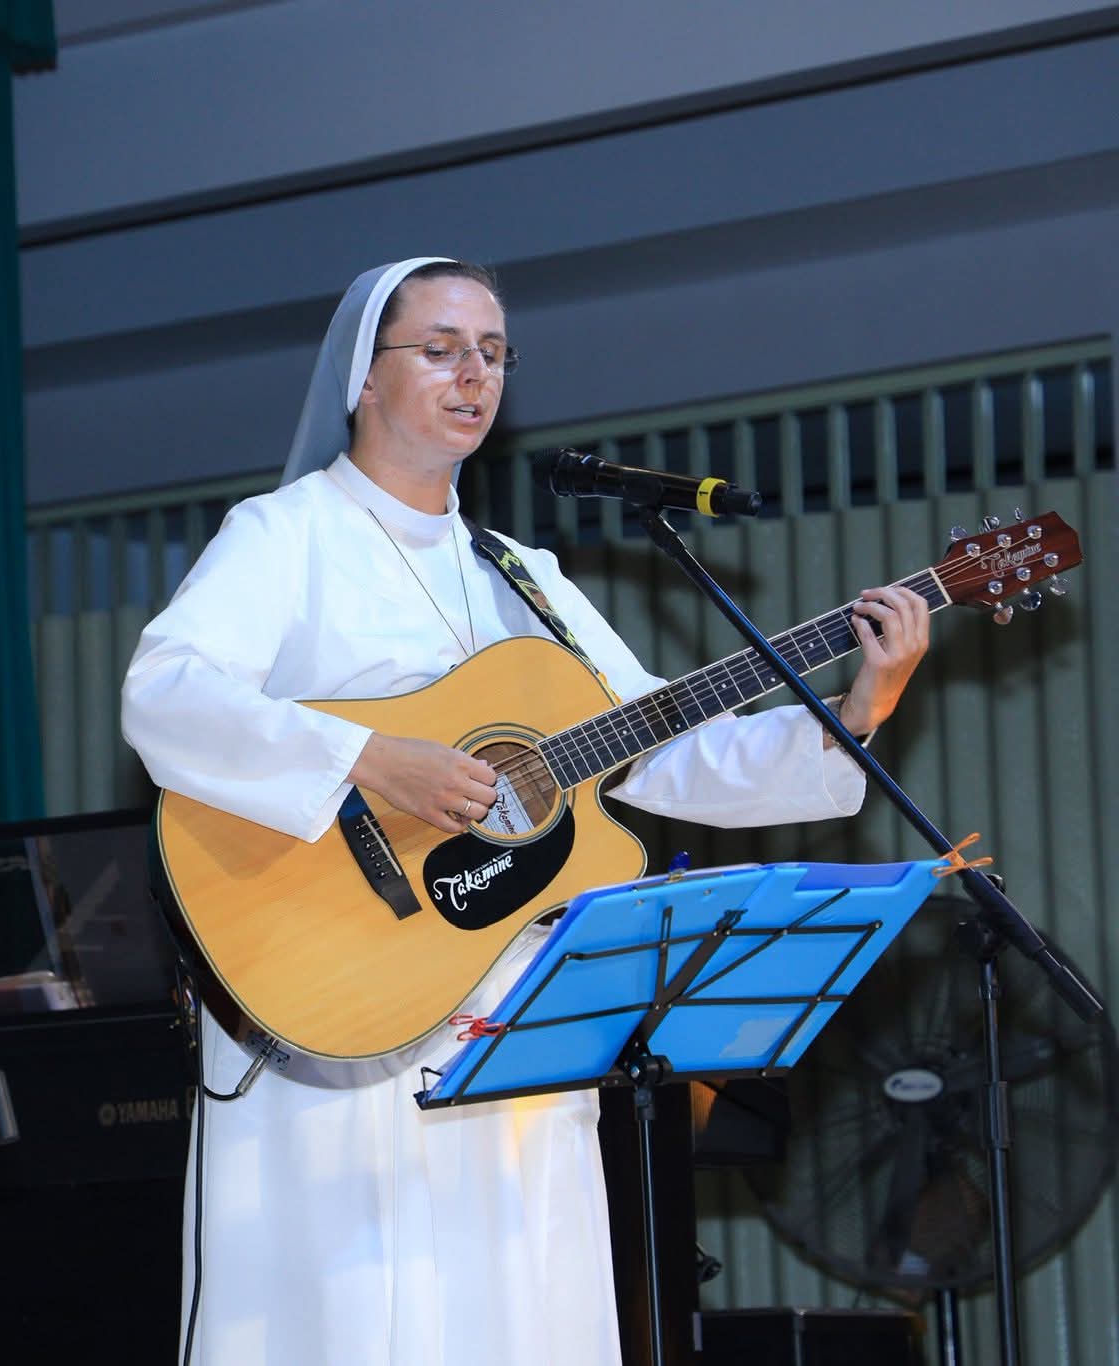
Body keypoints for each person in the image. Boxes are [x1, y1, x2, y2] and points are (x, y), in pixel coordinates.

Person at [120, 257, 931, 1366]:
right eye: (441, 349)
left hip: (511, 1004)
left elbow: (657, 747)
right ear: (364, 374)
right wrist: (369, 758)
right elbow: (165, 694)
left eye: (494, 354)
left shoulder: (523, 574)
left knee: (522, 1301)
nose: (475, 375)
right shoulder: (285, 534)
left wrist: (857, 708)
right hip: (339, 985)